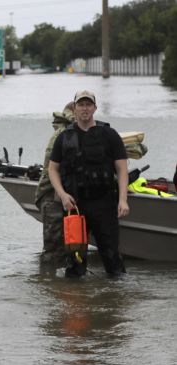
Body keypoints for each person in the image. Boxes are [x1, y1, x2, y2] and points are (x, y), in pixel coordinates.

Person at [48, 90, 129, 277]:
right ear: (74, 108)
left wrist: (123, 200)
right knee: (75, 260)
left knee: (112, 259)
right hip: (75, 206)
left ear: (94, 108)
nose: (85, 108)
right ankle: (76, 302)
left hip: (105, 203)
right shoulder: (64, 137)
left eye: (88, 104)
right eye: (81, 105)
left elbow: (122, 169)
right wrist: (62, 195)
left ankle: (116, 300)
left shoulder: (109, 134)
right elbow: (53, 170)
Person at [34, 102, 75, 264]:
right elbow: (53, 169)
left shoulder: (65, 132)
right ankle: (49, 283)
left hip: (59, 197)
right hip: (53, 197)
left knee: (66, 248)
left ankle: (54, 285)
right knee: (54, 250)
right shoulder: (63, 134)